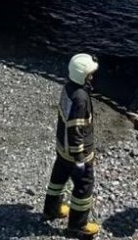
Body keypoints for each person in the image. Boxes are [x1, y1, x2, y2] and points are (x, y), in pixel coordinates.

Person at [41, 53, 102, 238]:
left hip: (62, 147)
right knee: (84, 187)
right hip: (75, 152)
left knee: (58, 179)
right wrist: (80, 158)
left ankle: (51, 209)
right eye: (90, 74)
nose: (92, 77)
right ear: (83, 75)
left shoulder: (68, 88)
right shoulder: (81, 98)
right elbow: (76, 129)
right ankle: (78, 225)